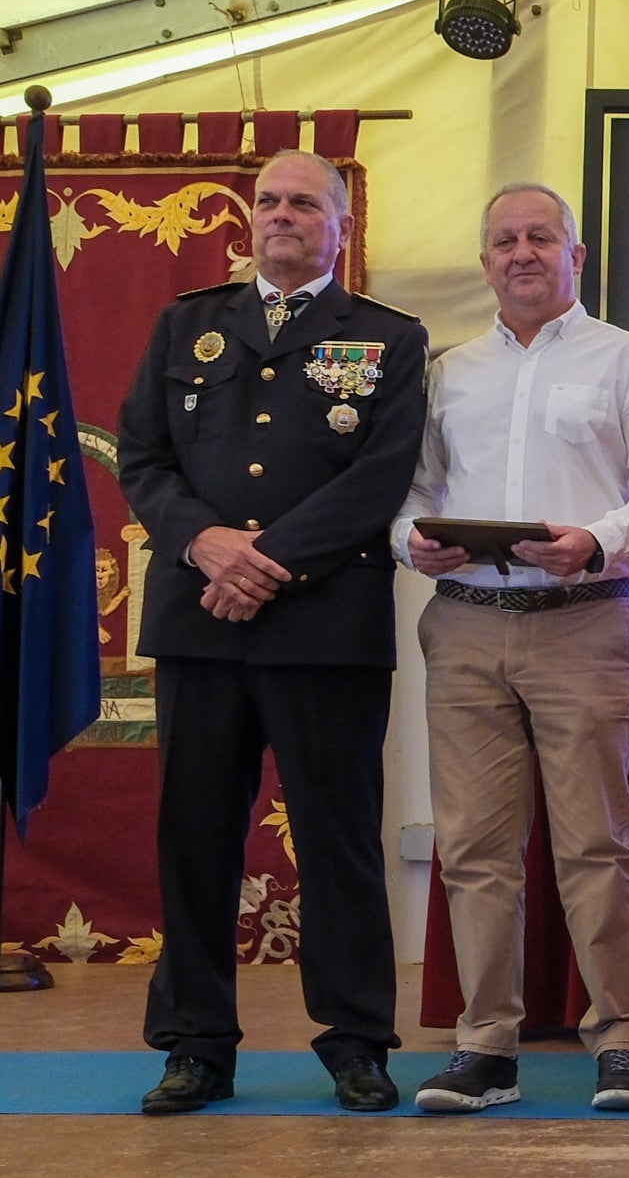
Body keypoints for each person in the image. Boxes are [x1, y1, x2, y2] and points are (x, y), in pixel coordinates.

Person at [115, 152, 426, 1115]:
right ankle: (196, 1043)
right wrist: (205, 543)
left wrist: (268, 561)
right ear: (248, 220)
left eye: (304, 203)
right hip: (201, 621)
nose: (282, 215)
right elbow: (142, 453)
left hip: (323, 624)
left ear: (340, 224)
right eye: (268, 202)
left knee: (337, 837)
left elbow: (380, 474)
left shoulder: (386, 337)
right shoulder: (189, 323)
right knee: (197, 833)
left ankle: (356, 1040)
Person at [396, 182, 629, 1114]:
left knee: (595, 843)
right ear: (484, 260)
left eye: (539, 237)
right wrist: (416, 542)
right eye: (503, 240)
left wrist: (595, 540)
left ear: (575, 253)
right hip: (466, 620)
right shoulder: (448, 371)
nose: (521, 252)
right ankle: (486, 1047)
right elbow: (408, 494)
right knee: (475, 848)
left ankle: (620, 1039)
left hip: (584, 618)